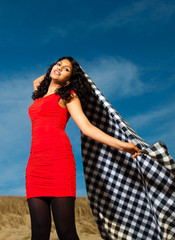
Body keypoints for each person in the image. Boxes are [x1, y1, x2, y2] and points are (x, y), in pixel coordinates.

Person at [26, 56, 142, 240]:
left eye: (66, 69)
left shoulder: (68, 95)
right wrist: (59, 69)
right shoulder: (39, 95)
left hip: (59, 164)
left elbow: (87, 128)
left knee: (66, 232)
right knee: (39, 233)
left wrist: (122, 145)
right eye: (58, 64)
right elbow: (38, 80)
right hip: (35, 167)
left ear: (70, 79)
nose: (59, 68)